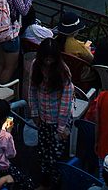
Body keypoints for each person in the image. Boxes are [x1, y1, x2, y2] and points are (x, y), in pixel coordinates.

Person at [28, 38, 74, 190]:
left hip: (58, 120)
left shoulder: (62, 71)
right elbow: (32, 89)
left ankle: (55, 184)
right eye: (45, 58)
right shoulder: (36, 65)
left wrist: (61, 127)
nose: (48, 62)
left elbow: (66, 102)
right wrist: (35, 113)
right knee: (43, 152)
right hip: (43, 118)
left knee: (55, 155)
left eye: (51, 58)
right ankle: (45, 183)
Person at [0, 99, 34, 190]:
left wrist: (5, 132)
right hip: (2, 169)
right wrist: (8, 133)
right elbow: (11, 154)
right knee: (27, 183)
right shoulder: (6, 137)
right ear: (5, 118)